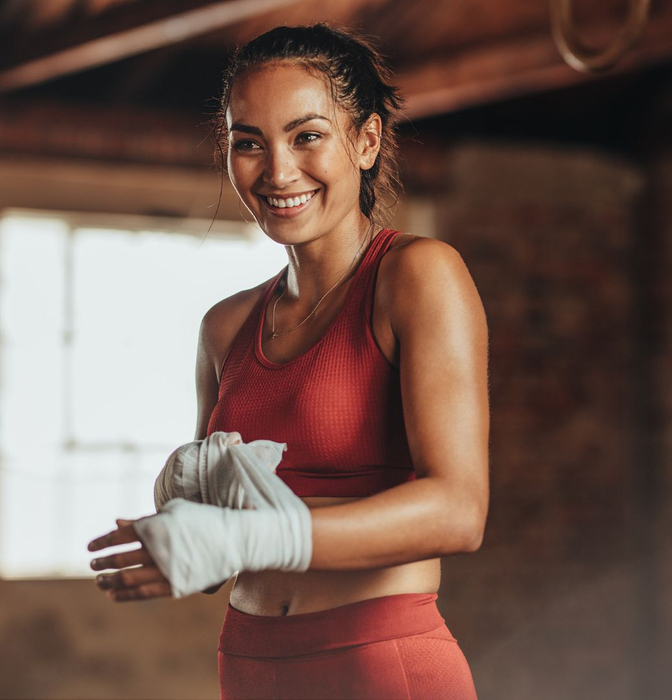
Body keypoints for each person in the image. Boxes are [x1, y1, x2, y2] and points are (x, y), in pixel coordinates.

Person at [87, 23, 490, 699]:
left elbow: (458, 510)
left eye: (307, 135)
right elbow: (223, 556)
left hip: (378, 661)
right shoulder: (225, 326)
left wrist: (245, 538)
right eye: (249, 142)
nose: (276, 171)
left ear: (364, 141)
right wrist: (185, 521)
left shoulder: (417, 277)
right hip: (248, 662)